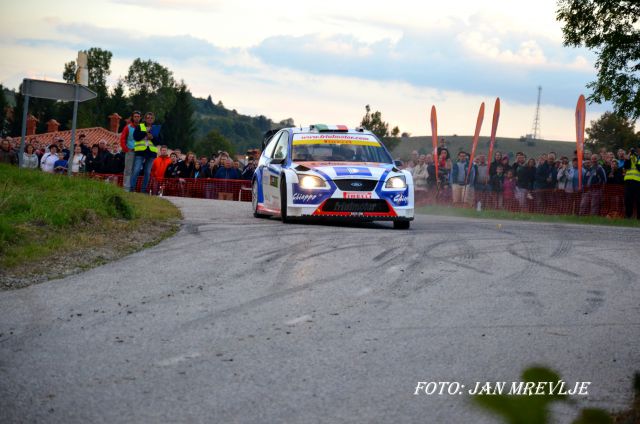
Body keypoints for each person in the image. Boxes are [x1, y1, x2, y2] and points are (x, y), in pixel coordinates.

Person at [131, 112, 160, 193]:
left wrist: (152, 138)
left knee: (147, 172)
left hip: (151, 153)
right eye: (148, 118)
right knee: (136, 170)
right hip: (140, 152)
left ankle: (143, 190)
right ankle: (132, 188)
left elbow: (159, 141)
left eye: (151, 118)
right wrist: (144, 132)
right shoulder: (140, 126)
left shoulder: (156, 128)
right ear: (145, 119)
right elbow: (136, 137)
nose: (149, 119)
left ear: (153, 119)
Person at [623, 147, 640, 219]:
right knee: (628, 199)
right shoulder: (631, 156)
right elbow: (626, 167)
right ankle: (628, 216)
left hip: (638, 182)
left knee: (638, 200)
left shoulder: (637, 158)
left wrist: (635, 160)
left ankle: (639, 217)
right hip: (628, 180)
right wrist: (627, 159)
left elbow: (639, 168)